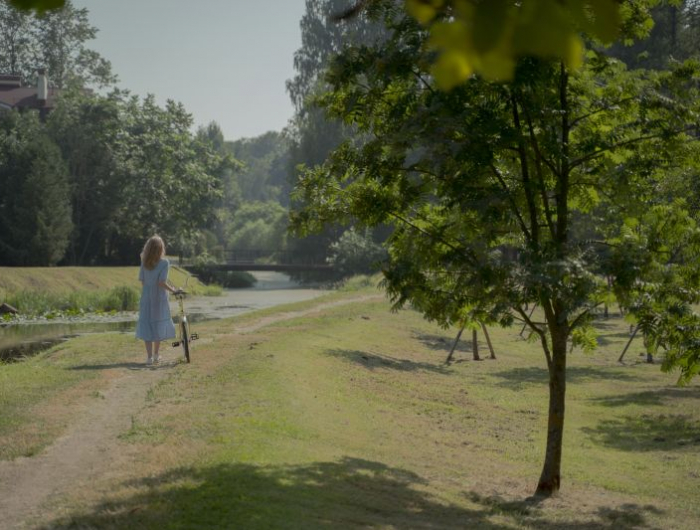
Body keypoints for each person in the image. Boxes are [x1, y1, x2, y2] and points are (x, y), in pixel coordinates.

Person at [135, 235, 178, 365]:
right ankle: (156, 355)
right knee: (158, 324)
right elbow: (161, 282)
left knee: (147, 323)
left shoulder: (144, 261)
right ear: (161, 248)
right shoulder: (164, 263)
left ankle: (148, 357)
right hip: (159, 298)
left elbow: (142, 281)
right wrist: (174, 290)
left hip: (146, 296)